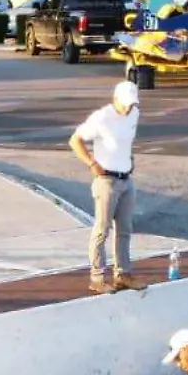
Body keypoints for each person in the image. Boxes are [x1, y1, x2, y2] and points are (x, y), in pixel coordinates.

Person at [70, 80, 143, 294]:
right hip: (106, 180)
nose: (128, 108)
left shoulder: (134, 114)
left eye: (132, 104)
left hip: (126, 179)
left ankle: (123, 274)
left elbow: (125, 142)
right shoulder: (102, 117)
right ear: (115, 99)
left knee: (125, 229)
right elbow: (75, 140)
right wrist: (92, 163)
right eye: (125, 104)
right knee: (102, 230)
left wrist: (128, 159)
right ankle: (97, 277)